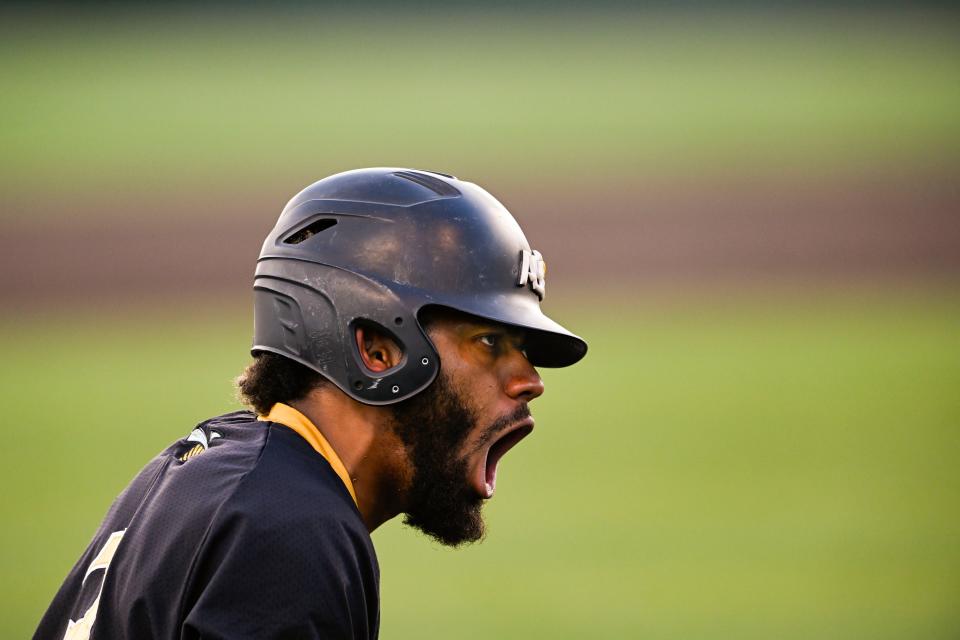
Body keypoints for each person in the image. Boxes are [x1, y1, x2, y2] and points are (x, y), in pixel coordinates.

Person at [34, 168, 587, 639]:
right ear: (377, 348)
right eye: (491, 343)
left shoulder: (215, 471)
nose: (529, 380)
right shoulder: (290, 537)